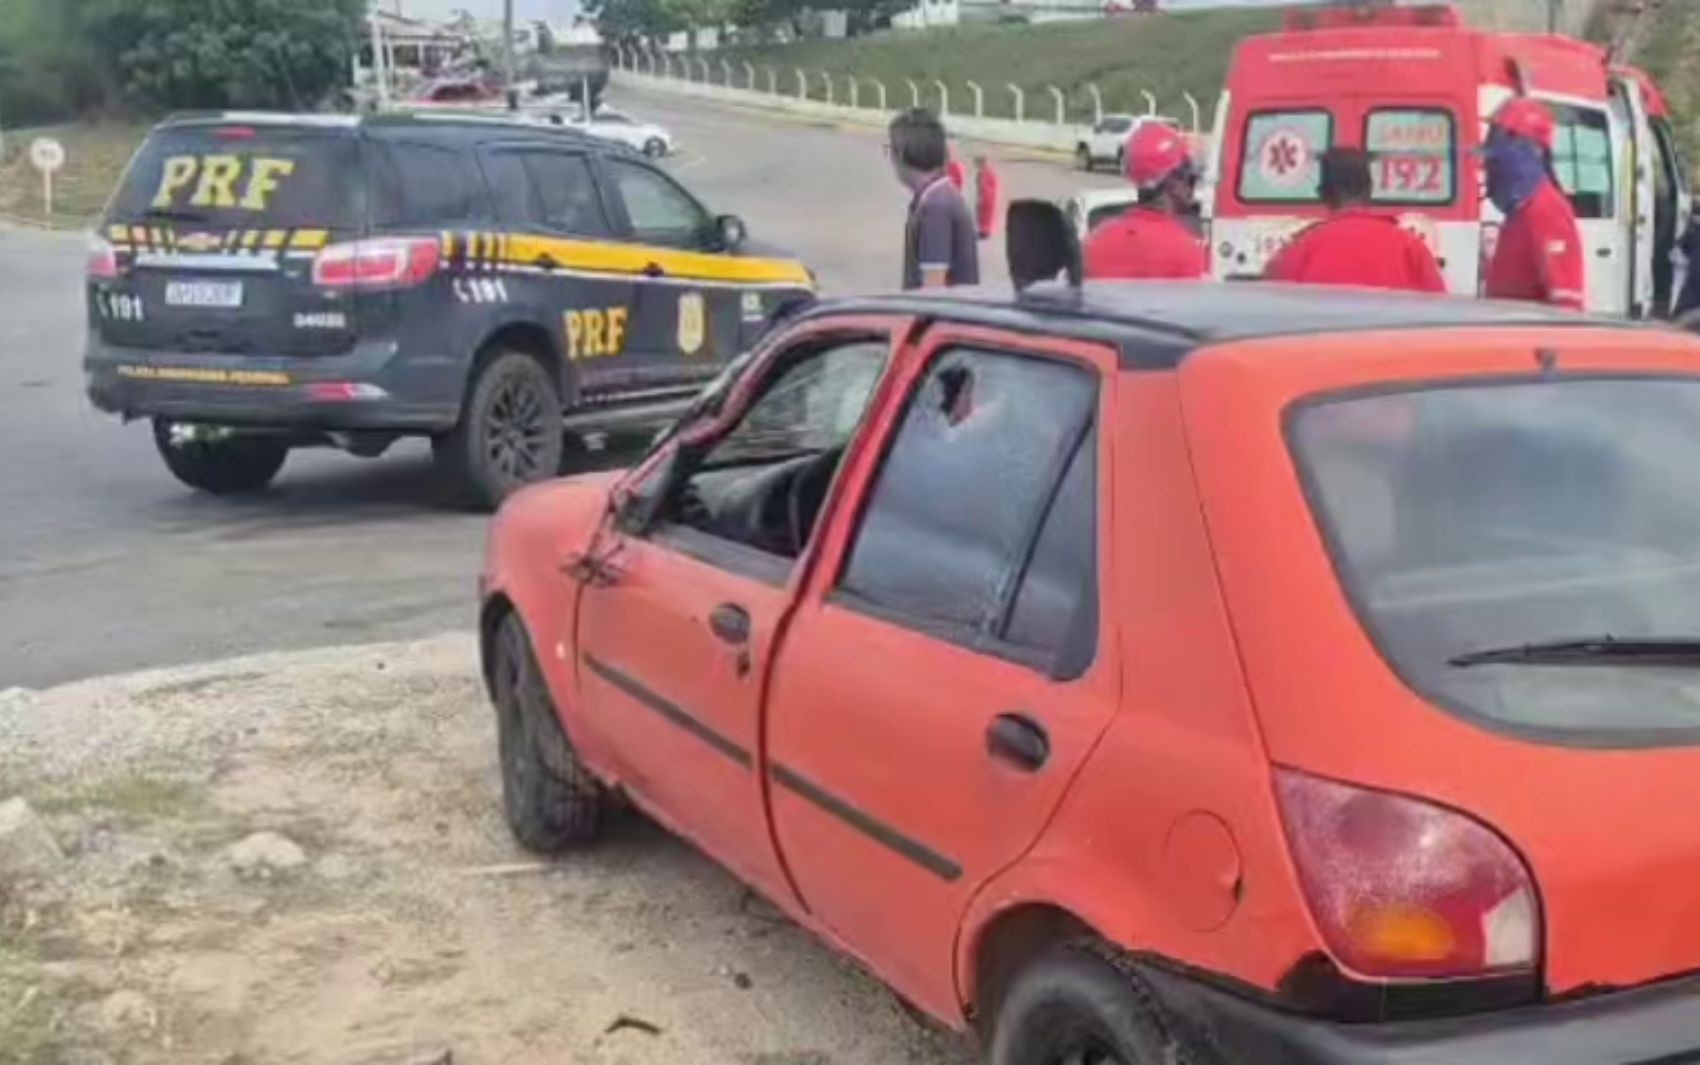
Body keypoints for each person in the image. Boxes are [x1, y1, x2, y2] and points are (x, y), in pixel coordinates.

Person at [1264, 148, 1446, 292]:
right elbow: (1438, 313)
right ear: (1370, 190)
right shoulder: (1411, 248)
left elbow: (1274, 307)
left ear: (1323, 194)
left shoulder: (1299, 249)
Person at [1481, 97, 1584, 310]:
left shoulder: (1547, 210)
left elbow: (1566, 304)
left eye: (1502, 143)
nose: (1492, 162)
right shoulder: (1518, 213)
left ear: (1534, 150)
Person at [1084, 122, 1209, 280]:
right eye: (1190, 178)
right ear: (1174, 185)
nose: (1193, 186)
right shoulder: (1187, 252)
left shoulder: (1094, 243)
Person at [889, 109, 980, 290]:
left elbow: (933, 287)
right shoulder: (937, 197)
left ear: (901, 154)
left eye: (890, 149)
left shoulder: (936, 207)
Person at [973, 154, 1001, 241]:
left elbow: (983, 186)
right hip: (987, 196)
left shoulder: (985, 173)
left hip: (987, 197)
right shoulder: (984, 172)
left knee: (985, 215)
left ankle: (985, 231)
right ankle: (984, 231)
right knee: (983, 215)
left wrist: (981, 197)